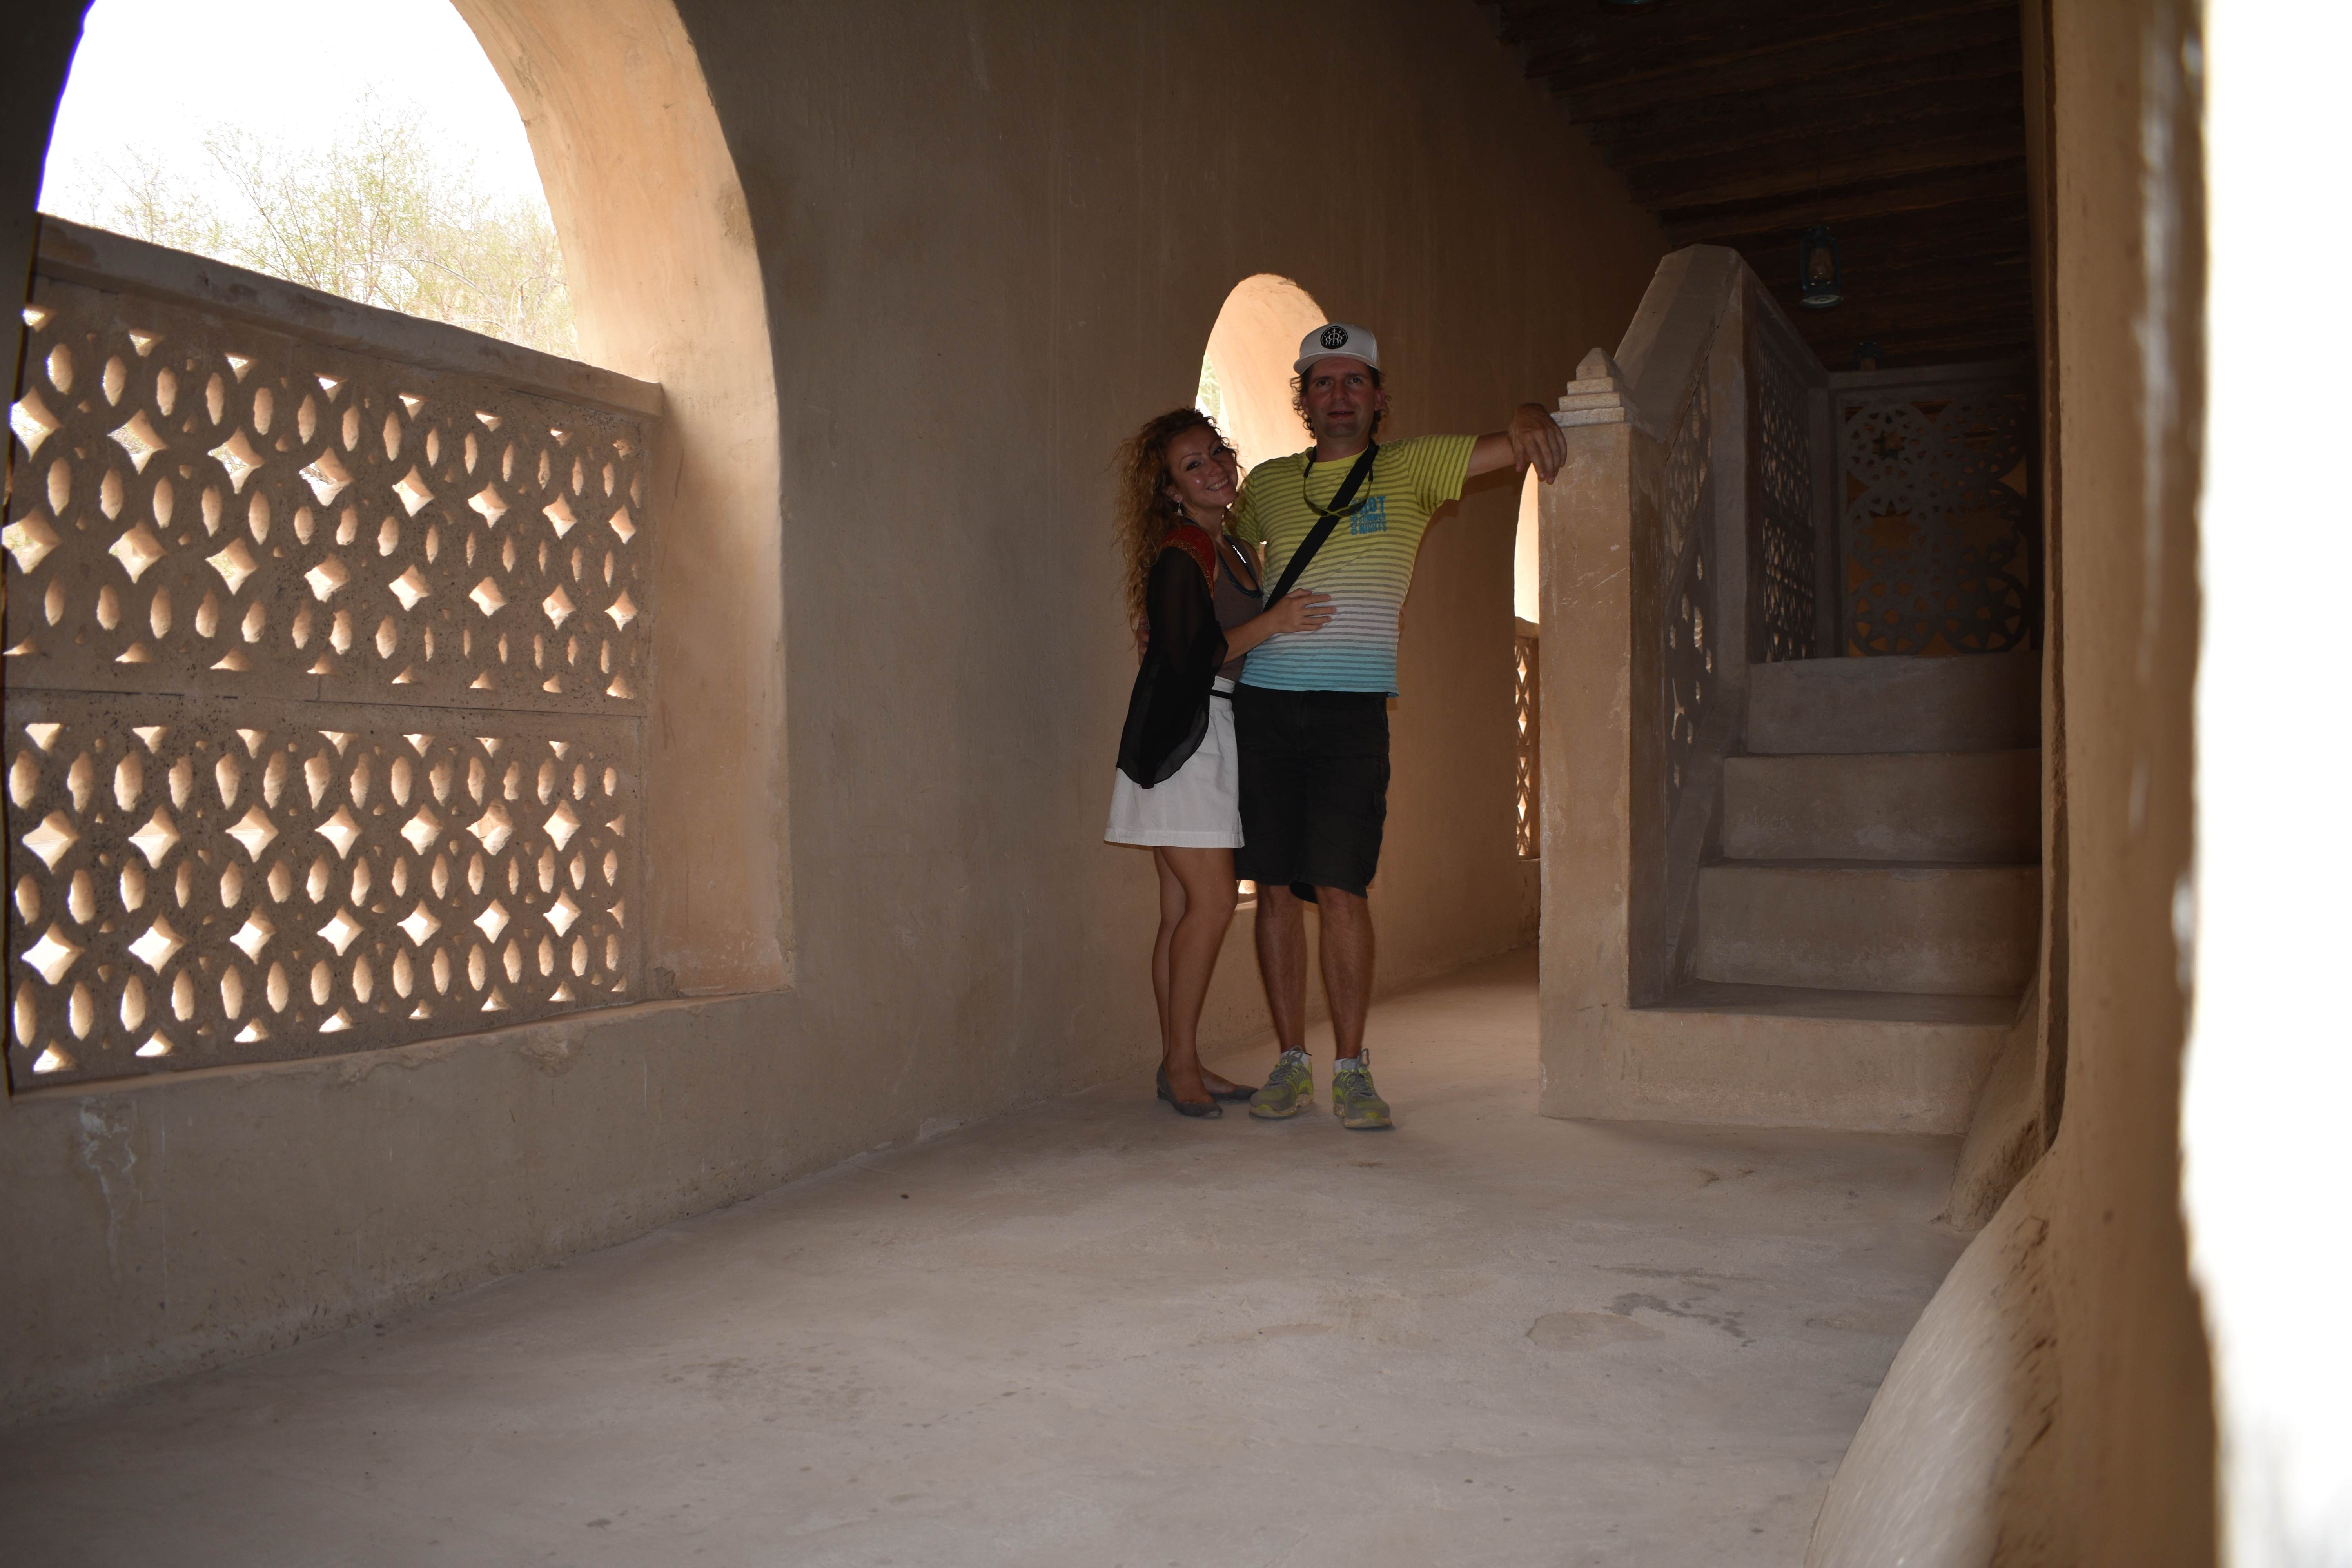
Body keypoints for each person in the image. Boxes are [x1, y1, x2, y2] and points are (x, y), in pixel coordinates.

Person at [1229, 322, 1567, 1129]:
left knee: (1342, 887)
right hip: (1265, 706)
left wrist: (1528, 409)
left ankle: (1351, 1068)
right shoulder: (1269, 485)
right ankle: (1290, 1061)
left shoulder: (1412, 467)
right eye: (1322, 382)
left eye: (1354, 381)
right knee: (1273, 887)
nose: (1338, 395)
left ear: (1379, 398)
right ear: (1304, 400)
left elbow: (1513, 445)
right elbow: (1222, 564)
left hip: (1352, 713)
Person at [1105, 408, 1334, 1117]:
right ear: (1171, 491)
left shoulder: (1227, 545)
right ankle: (1180, 1065)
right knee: (1208, 903)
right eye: (1192, 466)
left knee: (1179, 909)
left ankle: (1182, 1060)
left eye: (1215, 453)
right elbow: (1192, 656)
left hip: (1206, 727)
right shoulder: (1185, 548)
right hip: (1186, 738)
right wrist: (1276, 621)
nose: (1212, 469)